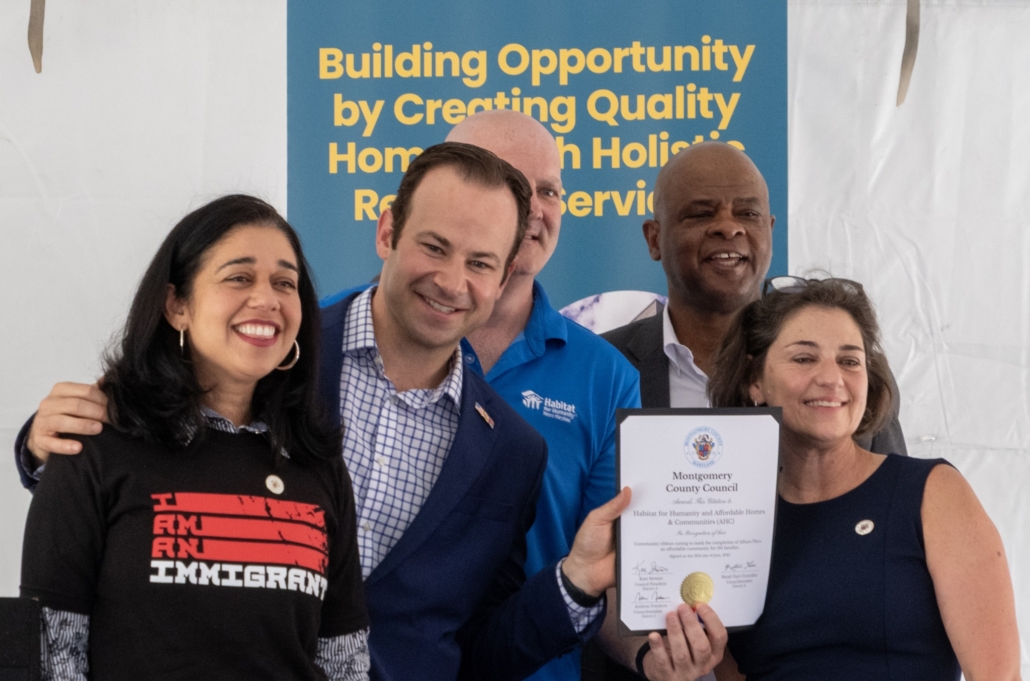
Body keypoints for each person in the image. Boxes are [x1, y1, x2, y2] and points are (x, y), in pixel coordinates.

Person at [16, 143, 632, 681]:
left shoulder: (513, 451)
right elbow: (136, 434)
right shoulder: (264, 350)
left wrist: (572, 583)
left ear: (502, 279)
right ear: (388, 231)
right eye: (434, 246)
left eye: (480, 263)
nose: (451, 280)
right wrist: (43, 445)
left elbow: (476, 649)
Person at [588, 142, 908, 680]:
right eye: (700, 213)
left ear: (770, 230)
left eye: (747, 213)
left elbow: (890, 524)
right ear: (653, 238)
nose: (728, 228)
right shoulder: (600, 369)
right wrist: (646, 654)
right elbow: (576, 552)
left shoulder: (841, 381)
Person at [19, 195, 370, 679]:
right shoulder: (95, 444)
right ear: (176, 306)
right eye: (239, 277)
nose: (267, 299)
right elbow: (50, 651)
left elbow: (343, 659)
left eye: (284, 283)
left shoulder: (318, 463)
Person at [701, 276, 1020, 680]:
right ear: (755, 382)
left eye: (850, 360)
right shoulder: (728, 516)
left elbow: (998, 675)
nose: (832, 378)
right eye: (804, 358)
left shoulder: (931, 493)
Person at [445, 110, 642, 681]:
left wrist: (653, 655)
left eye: (550, 190)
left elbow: (600, 576)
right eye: (509, 181)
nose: (535, 208)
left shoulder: (605, 377)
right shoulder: (350, 335)